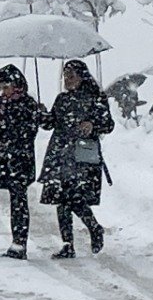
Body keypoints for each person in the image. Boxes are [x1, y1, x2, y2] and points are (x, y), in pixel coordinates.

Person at [0, 64, 47, 261]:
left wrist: (7, 137)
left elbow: (28, 133)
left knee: (19, 202)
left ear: (17, 85)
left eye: (5, 86)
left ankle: (19, 245)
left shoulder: (28, 105)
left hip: (17, 162)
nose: (2, 91)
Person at [41, 59, 115, 259]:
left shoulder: (95, 98)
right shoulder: (62, 99)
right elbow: (51, 123)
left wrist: (93, 124)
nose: (67, 80)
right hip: (61, 153)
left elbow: (108, 124)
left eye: (71, 76)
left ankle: (93, 228)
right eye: (65, 76)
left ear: (82, 77)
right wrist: (41, 115)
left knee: (74, 198)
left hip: (82, 156)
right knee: (62, 200)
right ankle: (68, 243)